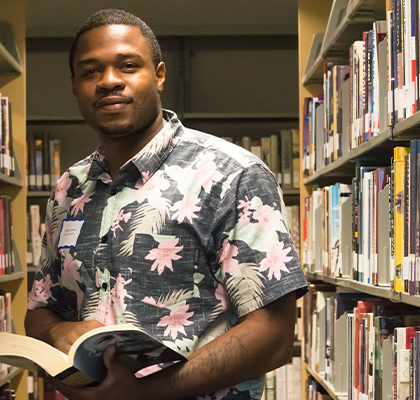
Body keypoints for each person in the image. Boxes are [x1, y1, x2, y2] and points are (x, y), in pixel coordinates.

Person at [25, 8, 308, 400]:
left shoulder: (232, 174)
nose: (109, 81)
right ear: (74, 86)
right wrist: (59, 331)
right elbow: (42, 307)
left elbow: (274, 336)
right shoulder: (70, 187)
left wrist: (145, 393)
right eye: (90, 71)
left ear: (158, 75)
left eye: (127, 65)